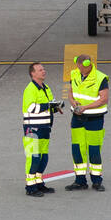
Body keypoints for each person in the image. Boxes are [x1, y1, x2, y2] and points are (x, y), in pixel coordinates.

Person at [64, 54, 109, 191]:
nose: (82, 68)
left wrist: (85, 107)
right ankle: (80, 181)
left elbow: (103, 99)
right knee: (77, 149)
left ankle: (96, 181)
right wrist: (73, 102)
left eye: (86, 66)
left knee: (94, 149)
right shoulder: (75, 74)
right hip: (77, 117)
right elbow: (70, 92)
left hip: (94, 118)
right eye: (80, 66)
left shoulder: (100, 78)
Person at [22, 61, 65, 197]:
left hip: (45, 128)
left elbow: (48, 106)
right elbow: (31, 108)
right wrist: (48, 105)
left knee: (43, 157)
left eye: (43, 69)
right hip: (33, 129)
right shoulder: (30, 89)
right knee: (34, 157)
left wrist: (57, 106)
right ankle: (30, 187)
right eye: (40, 70)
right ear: (32, 73)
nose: (43, 71)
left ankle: (39, 183)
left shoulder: (46, 88)